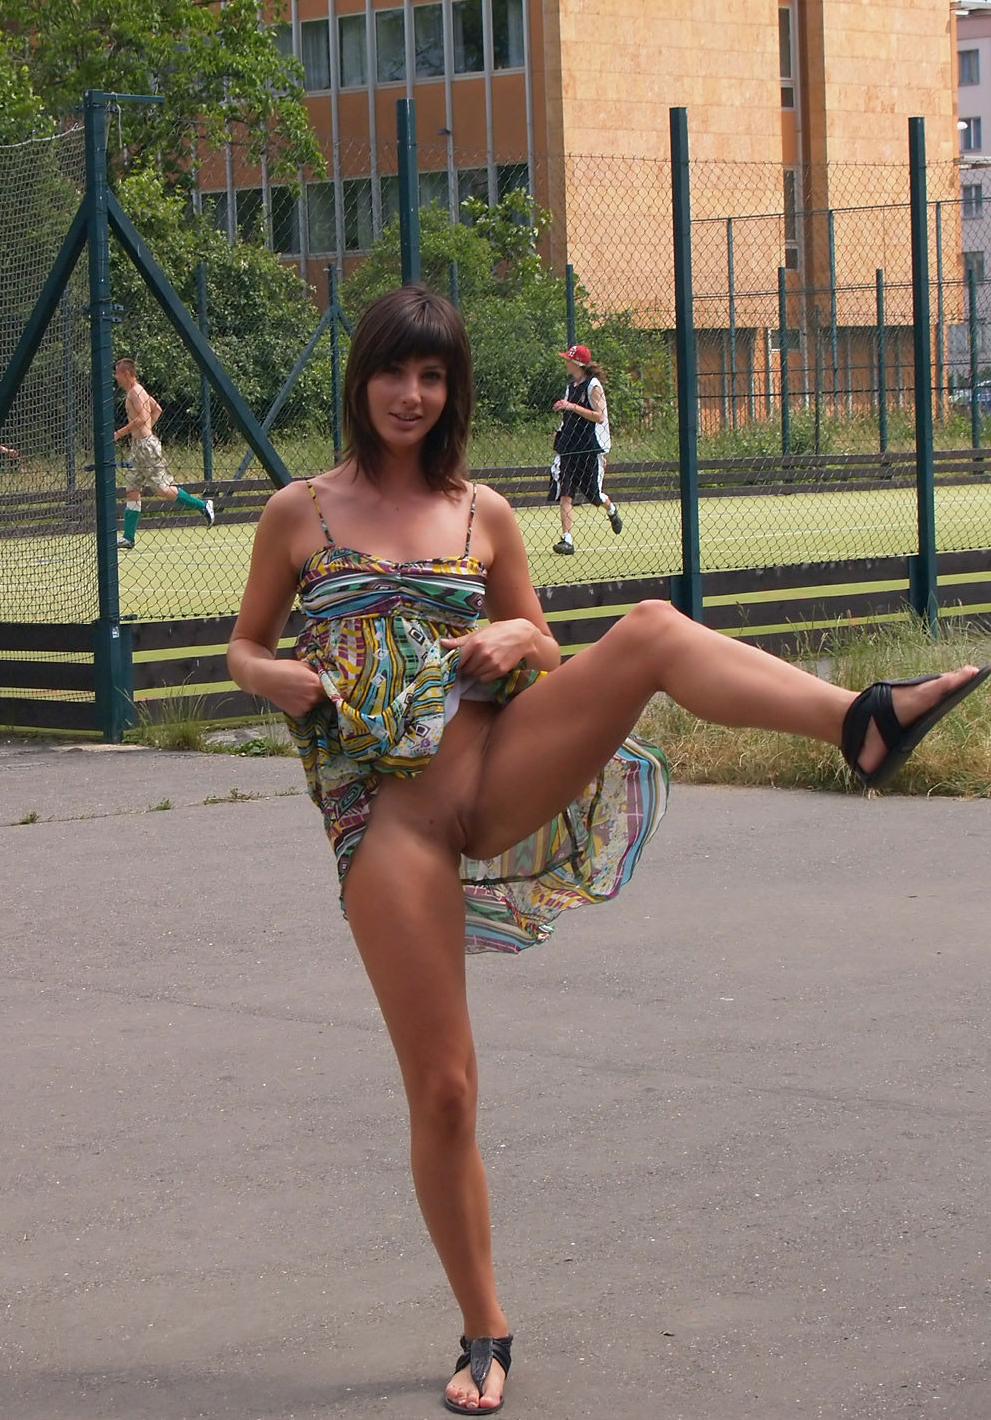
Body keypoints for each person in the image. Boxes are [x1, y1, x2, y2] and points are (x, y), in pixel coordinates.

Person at [227, 285, 987, 1416]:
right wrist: (276, 676)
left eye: (433, 377)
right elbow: (242, 645)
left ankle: (858, 723)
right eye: (394, 371)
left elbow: (544, 644)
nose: (412, 394)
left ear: (453, 390)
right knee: (445, 1090)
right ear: (363, 378)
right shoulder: (301, 513)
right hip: (389, 823)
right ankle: (485, 1329)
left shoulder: (484, 512)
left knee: (652, 629)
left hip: (497, 766)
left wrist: (512, 632)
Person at [112, 357, 213, 548]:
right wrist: (145, 431)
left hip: (146, 448)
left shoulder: (136, 392)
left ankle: (203, 505)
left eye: (117, 373)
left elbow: (142, 418)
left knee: (161, 489)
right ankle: (128, 537)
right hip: (138, 446)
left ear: (126, 374)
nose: (115, 377)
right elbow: (156, 409)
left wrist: (119, 434)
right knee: (132, 489)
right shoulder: (137, 391)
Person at [549, 343, 621, 553]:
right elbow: (568, 417)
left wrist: (572, 406)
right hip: (570, 447)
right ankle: (567, 540)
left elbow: (599, 416)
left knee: (594, 496)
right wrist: (560, 432)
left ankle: (611, 509)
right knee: (566, 493)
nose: (565, 363)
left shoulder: (593, 386)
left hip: (588, 447)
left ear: (577, 363)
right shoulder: (571, 387)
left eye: (568, 360)